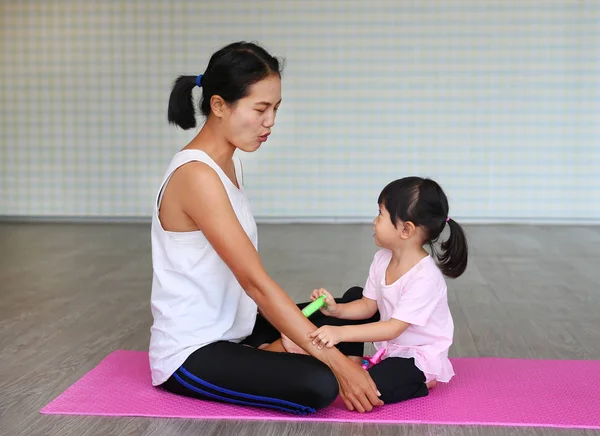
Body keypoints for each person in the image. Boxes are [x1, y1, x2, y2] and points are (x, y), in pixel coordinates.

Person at [149, 41, 383, 415]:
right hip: (194, 352)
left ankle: (277, 350)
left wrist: (304, 340)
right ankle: (292, 354)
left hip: (238, 328)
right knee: (321, 382)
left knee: (358, 306)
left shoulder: (229, 162)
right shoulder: (196, 176)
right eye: (260, 109)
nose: (270, 121)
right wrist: (337, 364)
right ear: (219, 105)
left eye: (275, 108)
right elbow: (255, 282)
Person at [286, 177, 468, 405]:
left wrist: (338, 334)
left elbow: (392, 328)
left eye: (380, 214)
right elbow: (367, 305)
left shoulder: (425, 277)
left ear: (406, 229)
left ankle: (422, 382)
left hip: (418, 356)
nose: (374, 221)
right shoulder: (382, 259)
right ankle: (352, 362)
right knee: (354, 294)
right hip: (392, 347)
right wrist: (336, 310)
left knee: (371, 390)